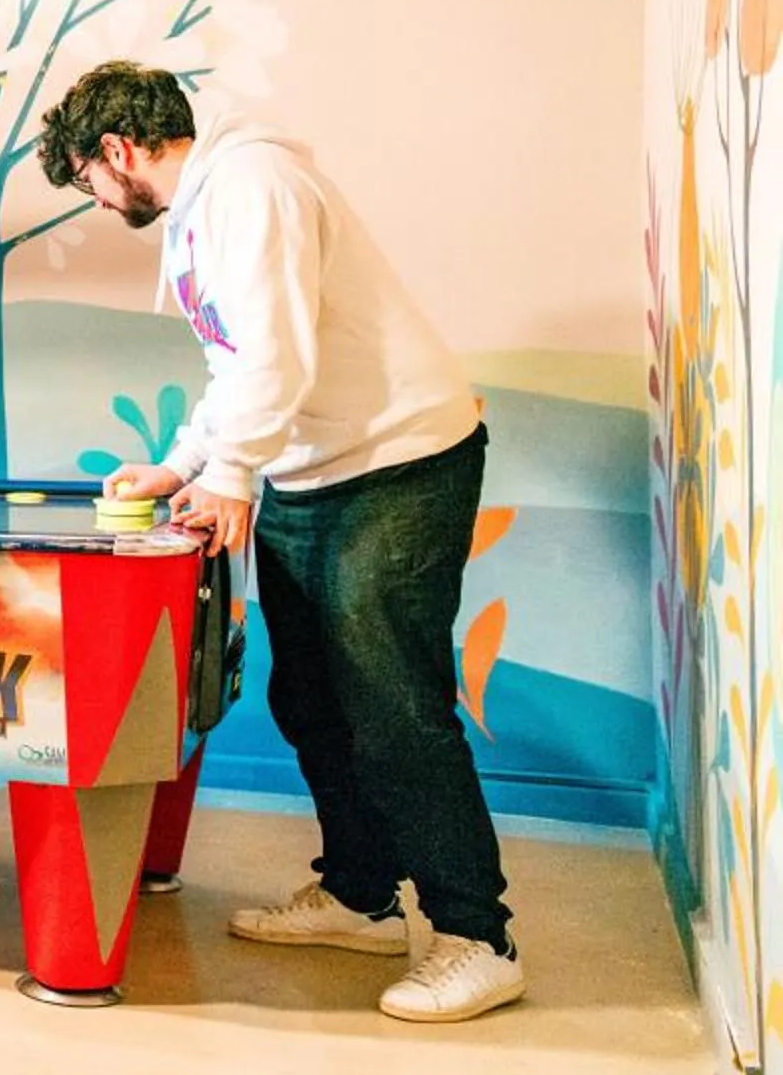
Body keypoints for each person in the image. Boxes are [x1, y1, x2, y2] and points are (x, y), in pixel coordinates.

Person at [35, 61, 519, 1023]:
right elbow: (236, 361)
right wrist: (183, 467)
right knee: (311, 697)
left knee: (393, 706)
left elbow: (277, 353)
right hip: (313, 467)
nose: (97, 198)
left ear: (117, 152)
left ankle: (478, 936)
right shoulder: (206, 208)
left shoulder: (253, 186)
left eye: (88, 179)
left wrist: (230, 475)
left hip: (398, 463)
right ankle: (361, 895)